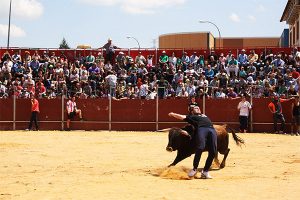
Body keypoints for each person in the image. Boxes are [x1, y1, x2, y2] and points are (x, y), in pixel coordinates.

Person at [168, 105, 217, 179]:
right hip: (202, 129)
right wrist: (172, 114)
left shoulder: (204, 115)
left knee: (213, 151)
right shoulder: (191, 117)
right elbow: (181, 116)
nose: (198, 108)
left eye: (198, 107)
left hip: (212, 129)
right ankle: (194, 169)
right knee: (200, 148)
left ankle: (205, 171)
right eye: (195, 108)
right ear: (192, 111)